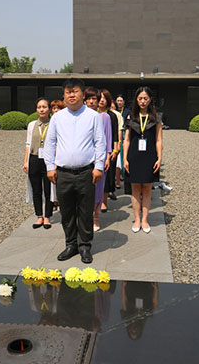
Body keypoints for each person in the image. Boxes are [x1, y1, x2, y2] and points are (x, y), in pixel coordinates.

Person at [44, 78, 106, 264]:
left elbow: (100, 143)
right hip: (63, 173)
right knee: (67, 211)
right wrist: (49, 167)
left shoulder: (93, 116)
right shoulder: (57, 117)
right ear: (64, 95)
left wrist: (99, 166)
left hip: (86, 172)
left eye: (75, 91)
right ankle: (71, 244)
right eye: (68, 92)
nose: (71, 95)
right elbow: (50, 143)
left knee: (85, 211)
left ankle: (85, 245)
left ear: (82, 93)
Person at [123, 86, 163, 234]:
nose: (142, 101)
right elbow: (126, 140)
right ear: (136, 100)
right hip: (134, 156)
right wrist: (125, 159)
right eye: (140, 98)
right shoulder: (131, 117)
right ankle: (137, 219)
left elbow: (159, 140)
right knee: (135, 189)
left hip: (149, 156)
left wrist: (159, 158)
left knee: (146, 189)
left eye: (145, 98)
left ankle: (145, 219)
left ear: (150, 99)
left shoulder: (156, 117)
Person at [83, 87, 112, 231]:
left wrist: (107, 157)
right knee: (85, 189)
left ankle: (96, 217)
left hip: (99, 158)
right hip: (84, 159)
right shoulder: (81, 117)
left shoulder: (104, 117)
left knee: (98, 189)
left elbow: (107, 138)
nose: (91, 101)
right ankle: (85, 217)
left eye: (94, 98)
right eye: (88, 98)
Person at [23, 97, 54, 229]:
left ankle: (47, 216)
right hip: (34, 158)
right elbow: (28, 143)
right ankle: (39, 216)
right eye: (39, 107)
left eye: (44, 107)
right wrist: (25, 162)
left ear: (49, 109)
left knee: (48, 189)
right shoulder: (31, 125)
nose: (41, 109)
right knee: (36, 189)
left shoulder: (54, 123)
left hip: (48, 160)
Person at [99, 89, 121, 206]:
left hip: (110, 149)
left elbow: (115, 134)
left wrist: (116, 150)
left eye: (104, 98)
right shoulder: (93, 114)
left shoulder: (112, 115)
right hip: (96, 149)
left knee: (108, 176)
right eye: (100, 98)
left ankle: (104, 201)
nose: (102, 100)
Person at [115, 94, 130, 189]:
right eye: (118, 100)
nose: (119, 102)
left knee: (123, 154)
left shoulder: (127, 112)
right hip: (116, 134)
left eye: (121, 100)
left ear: (124, 101)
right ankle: (117, 175)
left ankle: (123, 173)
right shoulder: (114, 111)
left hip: (125, 133)